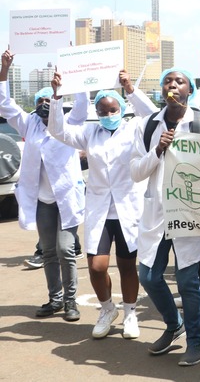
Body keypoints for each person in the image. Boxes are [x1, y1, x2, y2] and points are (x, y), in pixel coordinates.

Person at [49, 70, 157, 339]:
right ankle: (108, 309)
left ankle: (130, 312)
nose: (108, 115)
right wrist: (56, 96)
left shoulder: (134, 128)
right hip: (100, 208)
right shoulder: (90, 132)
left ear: (121, 109)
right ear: (96, 112)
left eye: (113, 109)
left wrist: (130, 89)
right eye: (102, 110)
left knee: (127, 265)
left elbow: (154, 116)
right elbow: (57, 130)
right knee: (97, 267)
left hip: (127, 207)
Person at [130, 68, 200, 366]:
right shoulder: (146, 125)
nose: (173, 85)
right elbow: (136, 171)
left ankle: (195, 342)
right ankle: (174, 324)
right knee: (149, 276)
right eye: (168, 81)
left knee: (187, 282)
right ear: (161, 89)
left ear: (188, 91)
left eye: (179, 81)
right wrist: (158, 149)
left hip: (190, 214)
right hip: (157, 213)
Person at [0, 50, 88, 322]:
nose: (42, 105)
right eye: (39, 101)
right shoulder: (29, 124)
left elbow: (83, 104)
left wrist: (71, 74)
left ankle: (71, 300)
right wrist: (4, 69)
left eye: (47, 99)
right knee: (49, 251)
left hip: (67, 198)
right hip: (42, 200)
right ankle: (55, 299)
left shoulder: (70, 122)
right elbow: (4, 103)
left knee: (65, 249)